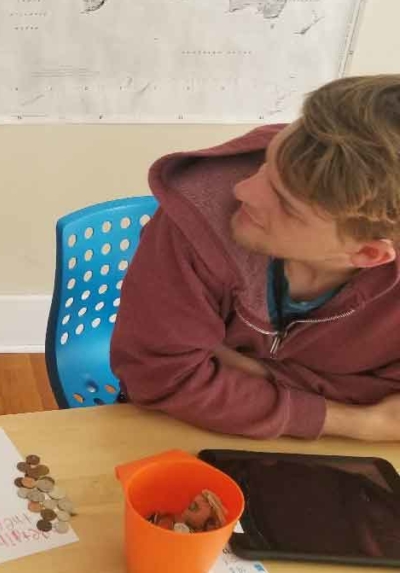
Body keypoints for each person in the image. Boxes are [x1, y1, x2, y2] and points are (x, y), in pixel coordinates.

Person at [110, 75, 400, 441]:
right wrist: (362, 423)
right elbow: (161, 378)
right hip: (172, 431)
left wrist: (252, 370)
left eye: (286, 205)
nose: (243, 190)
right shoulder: (195, 216)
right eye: (267, 163)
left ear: (367, 254)